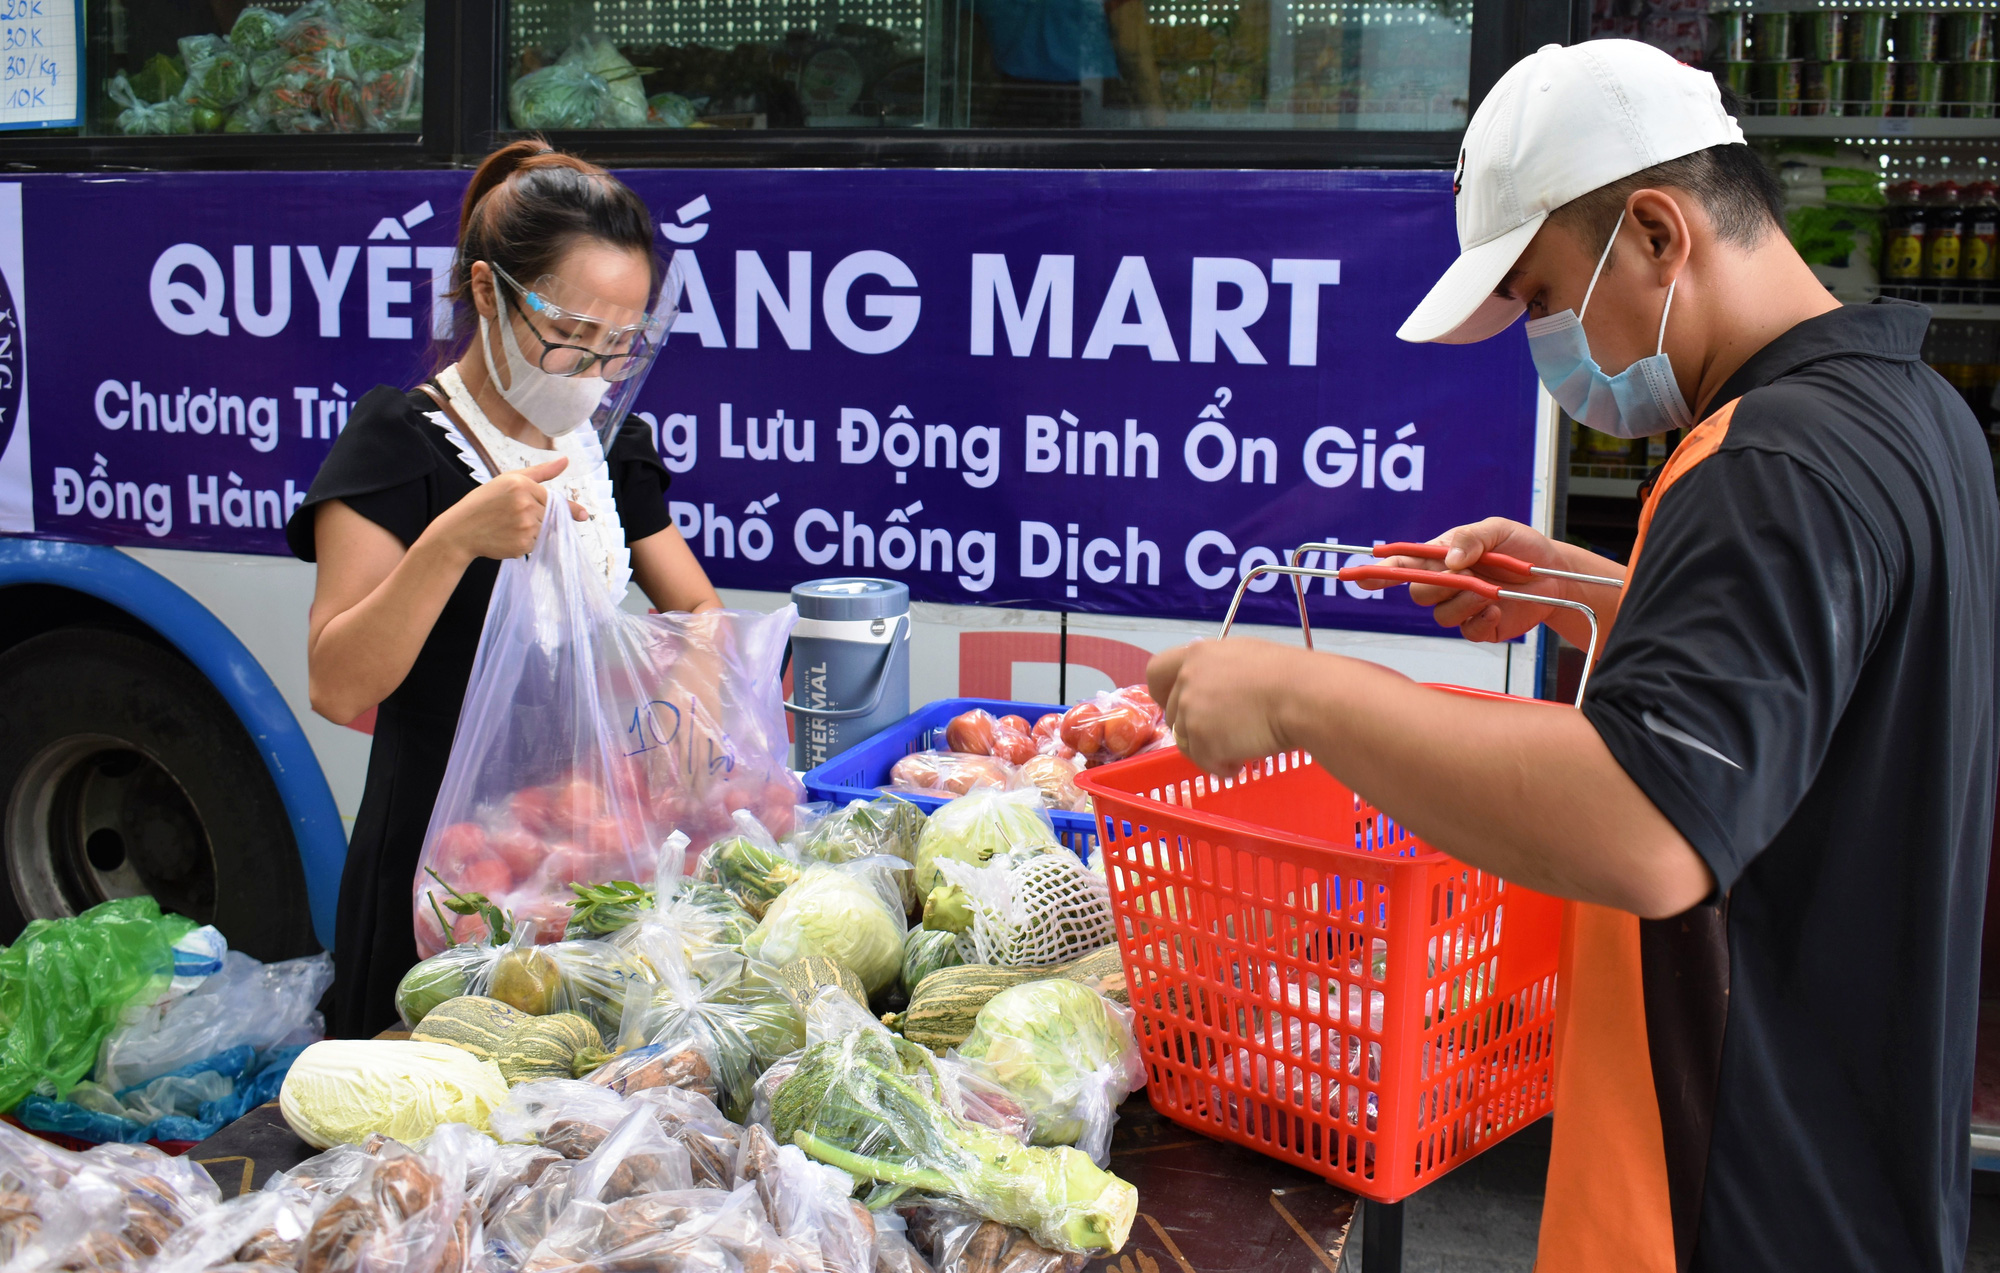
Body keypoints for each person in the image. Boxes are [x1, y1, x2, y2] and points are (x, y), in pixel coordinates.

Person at [1148, 40, 1998, 1273]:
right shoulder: (1906, 413)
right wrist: (1588, 593)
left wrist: (1303, 694)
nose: (1542, 339)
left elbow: (1649, 822)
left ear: (1657, 232)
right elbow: (1837, 686)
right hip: (1861, 1174)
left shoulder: (1760, 465)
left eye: (1542, 298)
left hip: (1727, 1207)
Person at [285, 139, 720, 1039]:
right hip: (441, 876)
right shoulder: (399, 446)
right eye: (569, 337)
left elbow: (698, 610)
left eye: (620, 343)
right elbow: (337, 682)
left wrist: (683, 713)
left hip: (583, 861)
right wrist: (453, 541)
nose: (595, 372)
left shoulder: (610, 450)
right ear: (489, 293)